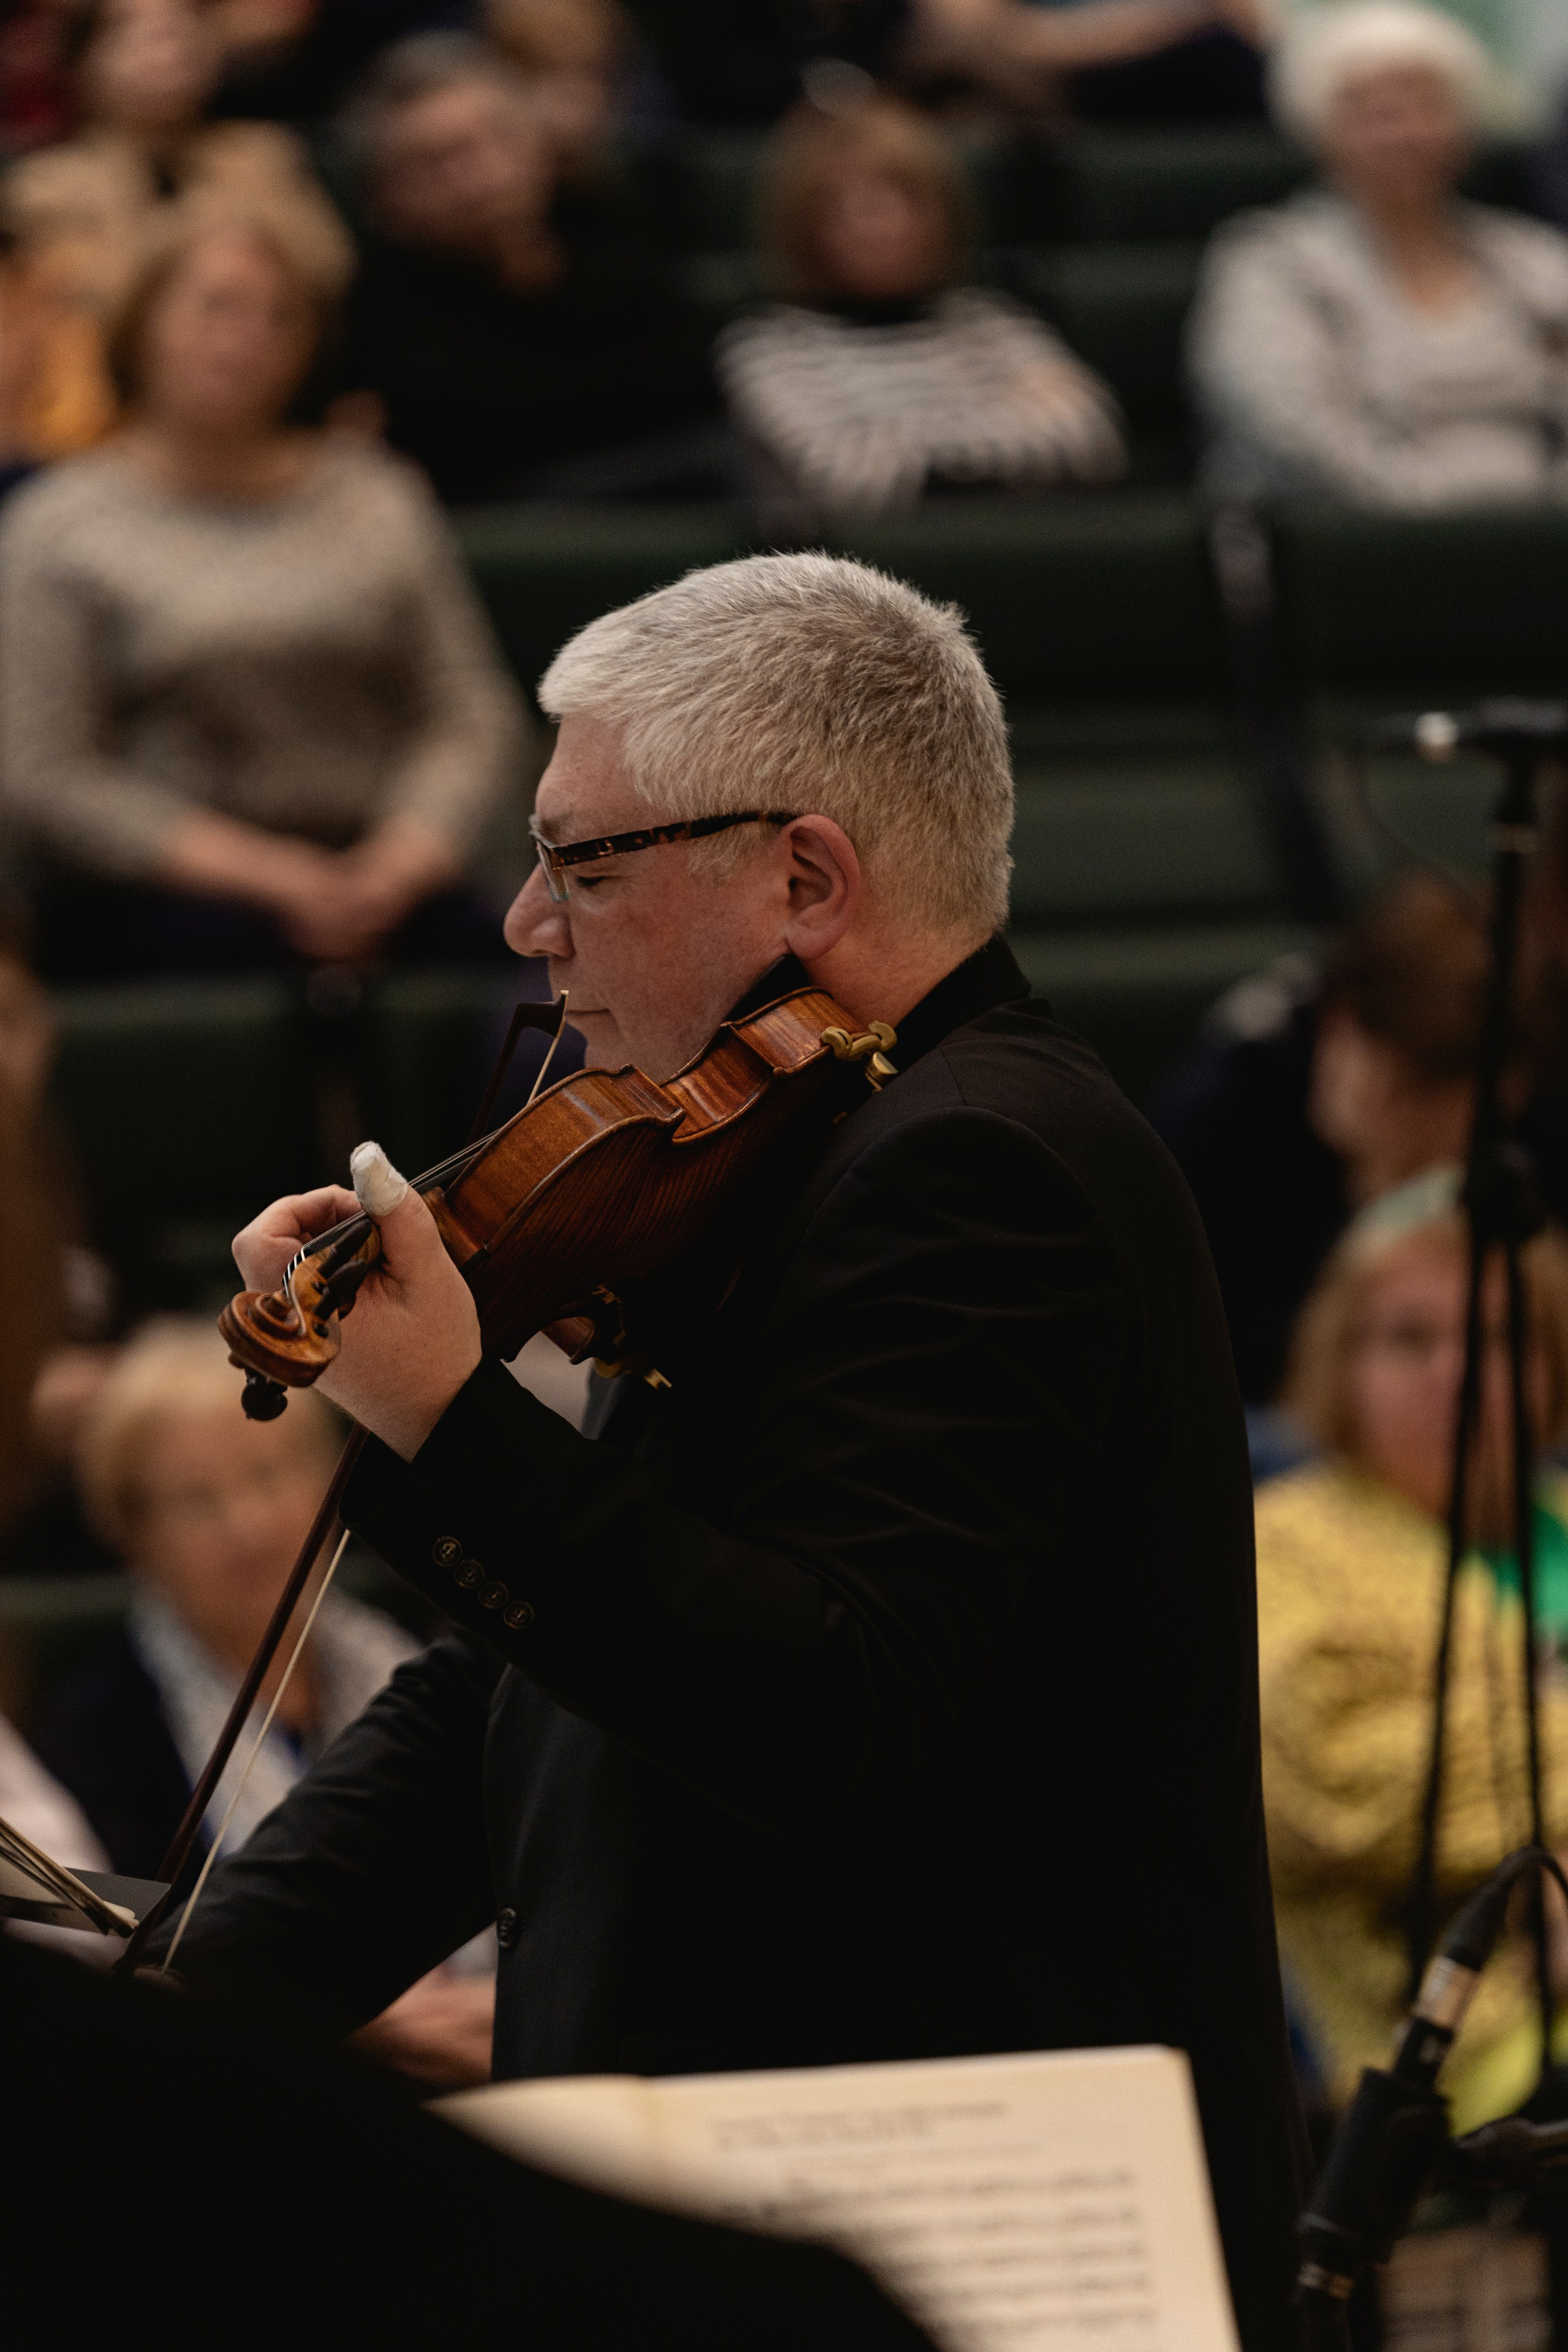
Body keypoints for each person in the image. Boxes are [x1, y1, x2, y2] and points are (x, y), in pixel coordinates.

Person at [148, 551, 1308, 2347]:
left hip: (956, 2230)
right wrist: (170, 2012)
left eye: (580, 859)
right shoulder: (764, 1161)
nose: (527, 920)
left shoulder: (977, 1164)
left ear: (803, 875)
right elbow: (526, 1695)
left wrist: (446, 1420)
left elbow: (824, 1699)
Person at [0, 206, 531, 981]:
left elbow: (469, 709)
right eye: (218, 306)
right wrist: (273, 876)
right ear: (143, 322)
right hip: (163, 894)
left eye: (282, 317)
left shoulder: (377, 494)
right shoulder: (59, 523)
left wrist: (400, 860)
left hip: (389, 873)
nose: (247, 337)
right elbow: (42, 773)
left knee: (549, 975)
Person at [32, 1317, 496, 2085]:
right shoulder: (93, 1737)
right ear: (131, 1532)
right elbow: (115, 1946)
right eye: (196, 1501)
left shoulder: (429, 1663)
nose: (247, 1526)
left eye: (270, 1476)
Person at [1257, 1179, 1568, 2130]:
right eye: (1409, 1339)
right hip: (1450, 2060)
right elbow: (1342, 1791)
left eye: (1501, 1341)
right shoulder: (1285, 1547)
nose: (1459, 1373)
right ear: (1339, 1359)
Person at [1150, 872, 1562, 1405]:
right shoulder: (1219, 1123)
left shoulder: (1541, 1121)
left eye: (1480, 1105)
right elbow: (1219, 1378)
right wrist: (1378, 1200)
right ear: (1343, 1029)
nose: (1449, 1133)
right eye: (1418, 1094)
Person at [1187, 1, 1568, 508]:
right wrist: (1455, 528)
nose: (1407, 133)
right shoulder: (1268, 262)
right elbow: (1290, 433)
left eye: (1429, 106)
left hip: (1536, 543)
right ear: (1319, 129)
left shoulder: (1534, 255)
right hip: (1343, 550)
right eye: (1374, 113)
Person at [339, 36, 725, 507]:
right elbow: (474, 441)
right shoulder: (379, 311)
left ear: (537, 141)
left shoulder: (617, 231)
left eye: (495, 136)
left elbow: (690, 388)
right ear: (387, 202)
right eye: (436, 162)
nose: (478, 173)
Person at [716, 94, 1125, 522]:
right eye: (845, 206)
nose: (879, 225)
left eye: (901, 197)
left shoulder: (994, 325)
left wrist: (920, 461)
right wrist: (1011, 441)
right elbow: (848, 479)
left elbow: (1089, 438)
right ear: (802, 226)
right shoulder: (770, 348)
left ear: (942, 210)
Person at [0, 0, 352, 453]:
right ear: (84, 61)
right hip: (97, 428)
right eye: (137, 38)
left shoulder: (264, 155)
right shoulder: (42, 187)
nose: (167, 53)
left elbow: (324, 272)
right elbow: (82, 310)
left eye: (183, 36)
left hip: (274, 404)